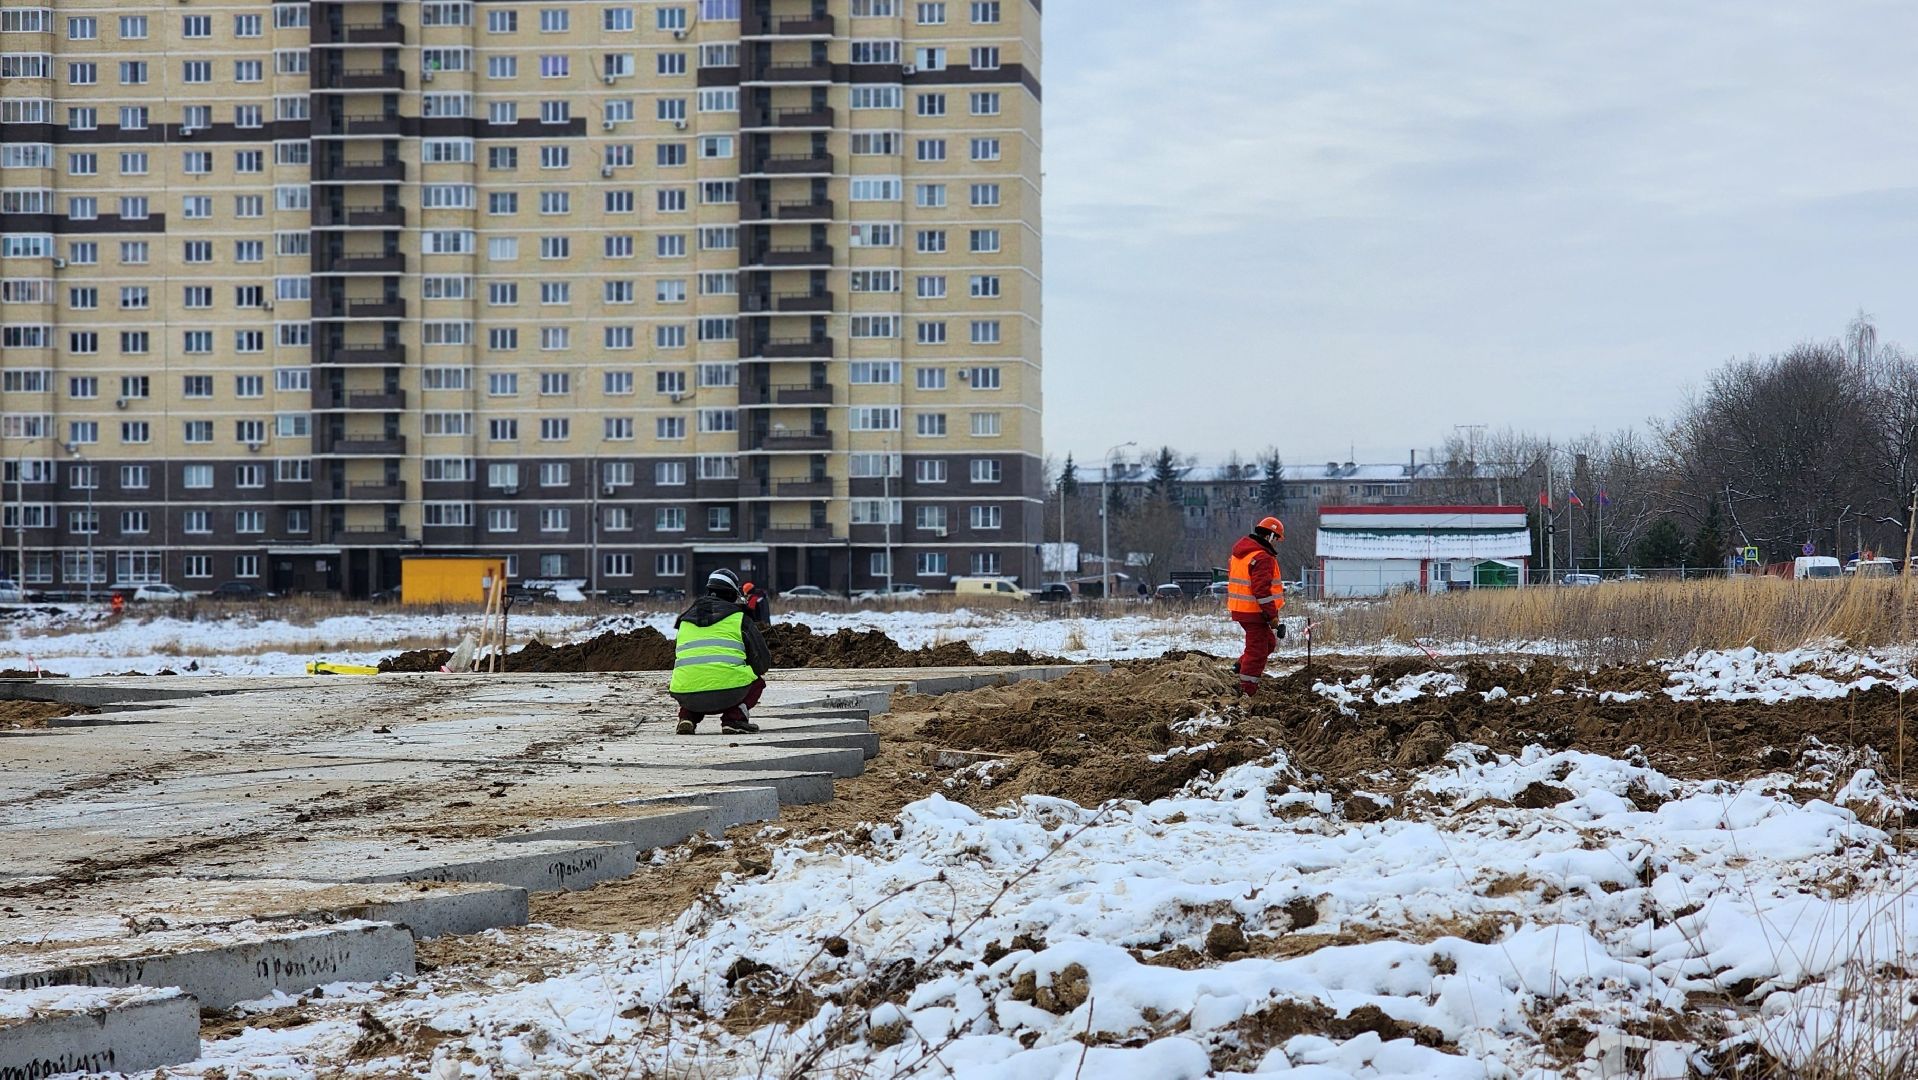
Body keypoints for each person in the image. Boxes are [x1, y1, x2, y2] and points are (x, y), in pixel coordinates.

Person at [670, 568, 771, 734]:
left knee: (693, 676)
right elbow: (762, 663)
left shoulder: (684, 620)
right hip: (729, 694)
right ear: (732, 593)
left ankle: (686, 717)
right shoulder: (739, 619)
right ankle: (734, 719)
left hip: (685, 695)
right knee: (757, 682)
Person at [1226, 516, 1287, 695]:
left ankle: (1238, 667)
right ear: (1269, 536)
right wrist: (1272, 617)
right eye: (1276, 539)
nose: (1276, 543)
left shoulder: (1243, 553)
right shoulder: (1262, 557)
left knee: (1268, 642)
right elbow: (1262, 591)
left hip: (1241, 609)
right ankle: (1247, 689)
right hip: (1254, 612)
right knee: (1258, 650)